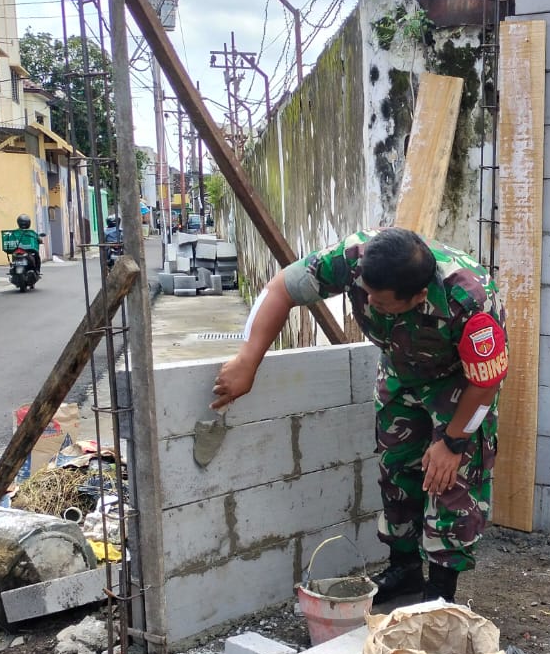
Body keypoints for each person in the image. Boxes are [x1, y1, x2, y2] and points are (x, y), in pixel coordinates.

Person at [210, 227, 508, 606]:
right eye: (365, 293)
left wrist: (452, 442)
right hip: (401, 373)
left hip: (460, 384)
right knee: (396, 469)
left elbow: (485, 384)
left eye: (380, 303)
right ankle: (404, 572)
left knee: (449, 481)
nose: (368, 303)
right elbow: (281, 288)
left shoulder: (471, 301)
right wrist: (248, 360)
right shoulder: (354, 258)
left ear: (417, 297)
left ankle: (440, 596)